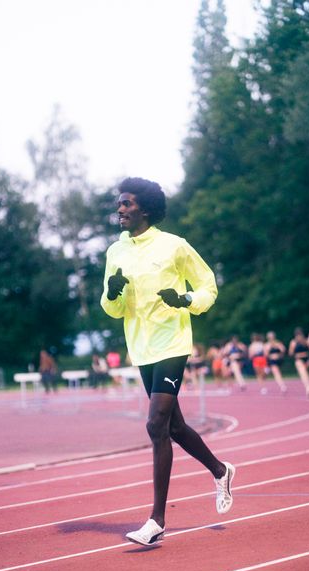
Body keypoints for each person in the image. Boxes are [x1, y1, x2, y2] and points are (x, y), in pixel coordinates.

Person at [100, 177, 235, 546]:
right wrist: (112, 295)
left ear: (145, 209)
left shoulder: (175, 246)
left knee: (155, 423)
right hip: (141, 347)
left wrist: (185, 300)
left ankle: (156, 519)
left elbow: (208, 286)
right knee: (173, 427)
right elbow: (112, 309)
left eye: (126, 203)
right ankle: (221, 470)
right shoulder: (116, 251)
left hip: (173, 342)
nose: (120, 209)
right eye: (119, 203)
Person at [288, 327, 309, 396]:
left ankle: (308, 385)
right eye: (297, 335)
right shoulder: (293, 342)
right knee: (302, 372)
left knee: (306, 373)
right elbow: (290, 353)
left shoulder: (306, 341)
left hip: (306, 359)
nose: (299, 336)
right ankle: (308, 387)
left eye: (300, 335)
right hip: (298, 360)